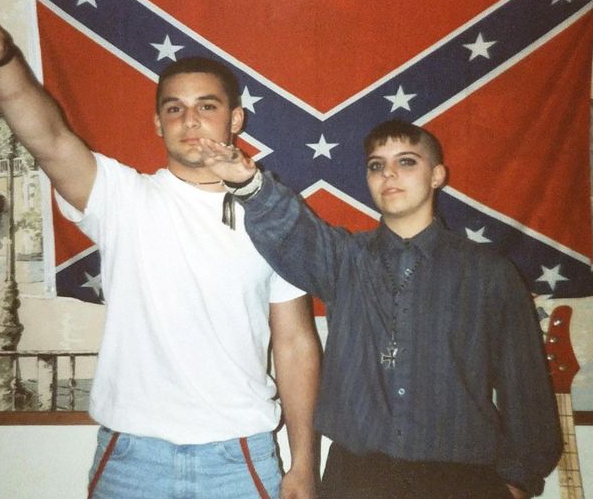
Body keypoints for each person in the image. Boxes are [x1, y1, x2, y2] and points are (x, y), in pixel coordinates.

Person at [0, 1, 321, 499]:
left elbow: (295, 343)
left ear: (235, 119)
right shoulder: (123, 197)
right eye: (174, 108)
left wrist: (305, 462)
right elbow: (47, 138)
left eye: (207, 105)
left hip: (238, 455)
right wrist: (4, 63)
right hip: (132, 460)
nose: (190, 119)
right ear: (158, 123)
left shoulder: (273, 213)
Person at [199, 120, 563, 499]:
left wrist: (520, 482)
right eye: (376, 165)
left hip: (462, 479)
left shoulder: (490, 275)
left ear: (437, 175)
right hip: (358, 480)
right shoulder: (345, 261)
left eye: (406, 162)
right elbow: (294, 233)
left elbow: (526, 388)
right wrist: (249, 184)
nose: (389, 173)